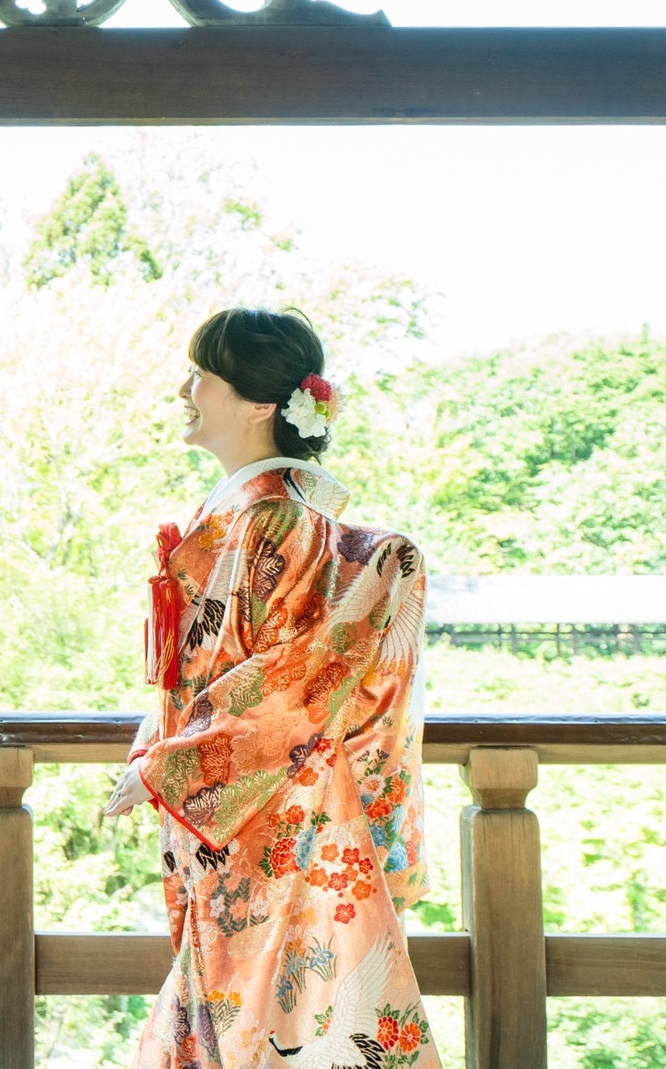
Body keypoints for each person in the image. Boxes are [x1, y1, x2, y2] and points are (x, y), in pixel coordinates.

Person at [108, 308, 440, 1069]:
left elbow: (288, 678)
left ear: (259, 405)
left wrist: (166, 766)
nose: (184, 390)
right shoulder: (252, 516)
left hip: (272, 810)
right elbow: (200, 678)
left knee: (265, 1021)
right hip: (245, 806)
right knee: (255, 1020)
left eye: (202, 376)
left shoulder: (277, 524)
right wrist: (161, 754)